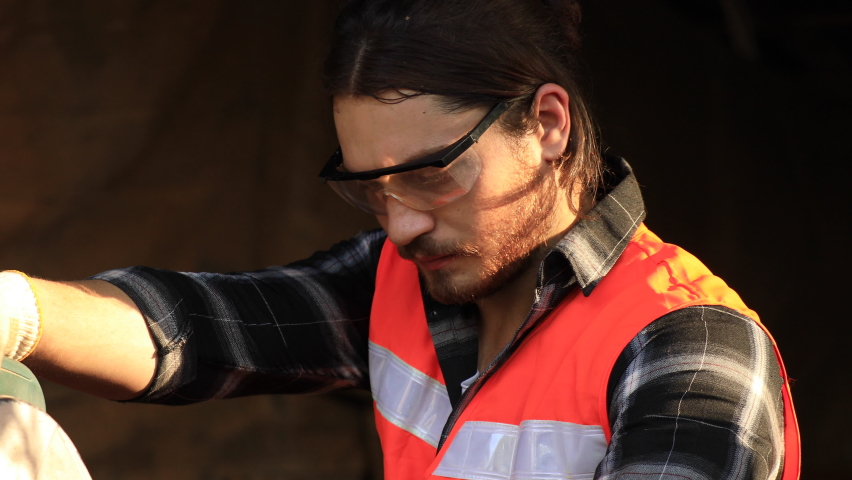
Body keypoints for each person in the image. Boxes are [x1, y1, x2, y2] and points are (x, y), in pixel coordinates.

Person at [0, 0, 799, 479]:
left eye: (432, 173)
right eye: (370, 189)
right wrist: (22, 312)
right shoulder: (403, 280)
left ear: (548, 124)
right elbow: (204, 328)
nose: (403, 223)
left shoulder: (691, 348)